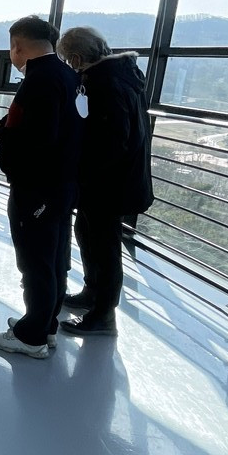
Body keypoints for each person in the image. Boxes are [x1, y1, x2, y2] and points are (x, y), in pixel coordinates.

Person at [0, 16, 82, 358]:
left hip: (37, 187)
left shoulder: (41, 79)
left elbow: (37, 139)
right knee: (53, 258)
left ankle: (31, 337)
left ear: (17, 46)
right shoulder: (66, 74)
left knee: (35, 262)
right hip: (61, 184)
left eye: (11, 47)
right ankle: (45, 324)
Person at [56, 27, 153, 334]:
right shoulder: (121, 74)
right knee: (88, 234)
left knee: (104, 246)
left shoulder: (104, 83)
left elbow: (110, 143)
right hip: (114, 181)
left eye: (67, 60)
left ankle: (103, 314)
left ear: (76, 58)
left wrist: (81, 172)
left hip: (109, 185)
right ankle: (92, 293)